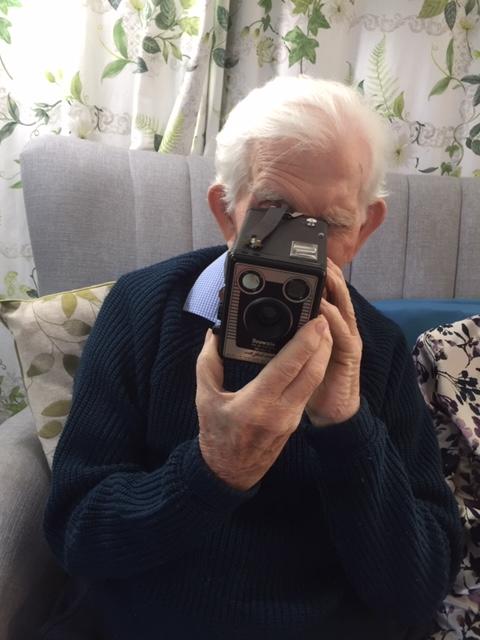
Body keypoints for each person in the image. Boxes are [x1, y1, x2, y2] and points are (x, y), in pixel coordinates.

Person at [40, 76, 462, 640]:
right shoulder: (144, 307)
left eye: (331, 224)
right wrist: (215, 468)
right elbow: (77, 536)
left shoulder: (378, 347)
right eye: (273, 211)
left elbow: (417, 589)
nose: (301, 246)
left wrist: (346, 427)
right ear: (226, 211)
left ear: (363, 228)